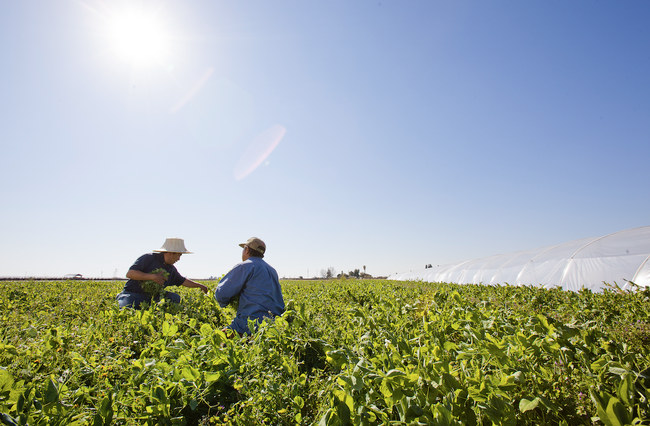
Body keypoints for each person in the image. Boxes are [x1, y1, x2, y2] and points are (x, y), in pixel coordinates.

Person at [215, 237, 285, 335]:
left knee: (218, 340)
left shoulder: (245, 266)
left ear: (247, 250)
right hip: (272, 326)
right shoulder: (272, 270)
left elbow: (221, 294)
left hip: (247, 325)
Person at [116, 238, 208, 309]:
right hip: (133, 294)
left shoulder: (171, 269)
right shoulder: (148, 258)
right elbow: (130, 274)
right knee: (126, 306)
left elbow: (182, 281)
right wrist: (152, 277)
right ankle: (122, 298)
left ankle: (148, 306)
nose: (179, 259)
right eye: (179, 255)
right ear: (171, 253)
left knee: (174, 298)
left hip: (153, 297)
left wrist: (200, 286)